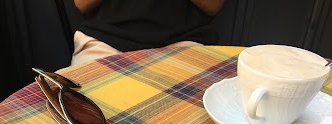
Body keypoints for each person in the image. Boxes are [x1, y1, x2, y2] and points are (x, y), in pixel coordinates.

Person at [71, 0, 225, 65]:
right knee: (79, 121)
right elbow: (82, 3)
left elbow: (212, 5)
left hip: (183, 42)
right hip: (102, 42)